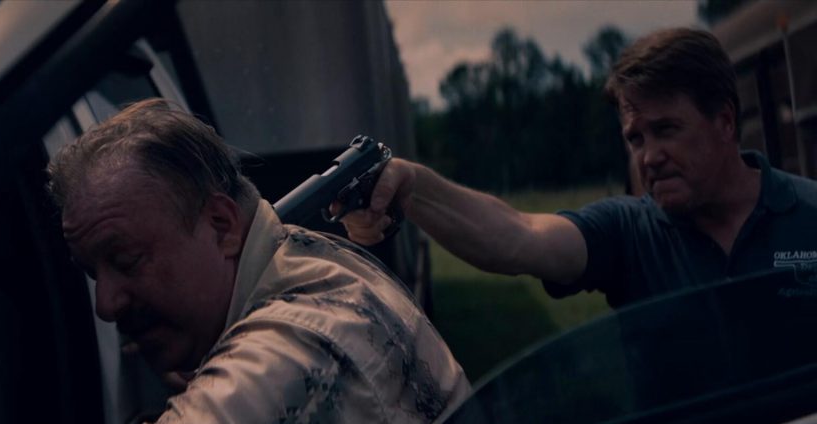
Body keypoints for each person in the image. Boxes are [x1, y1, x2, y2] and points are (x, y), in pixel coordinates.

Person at [46, 98, 470, 424]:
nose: (105, 305)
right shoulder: (314, 260)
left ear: (222, 226)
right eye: (92, 274)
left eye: (126, 260)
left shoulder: (283, 354)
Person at [341, 28, 817, 308]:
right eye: (636, 138)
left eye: (667, 129)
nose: (649, 156)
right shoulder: (627, 233)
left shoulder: (809, 213)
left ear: (725, 122)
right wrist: (412, 185)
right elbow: (519, 235)